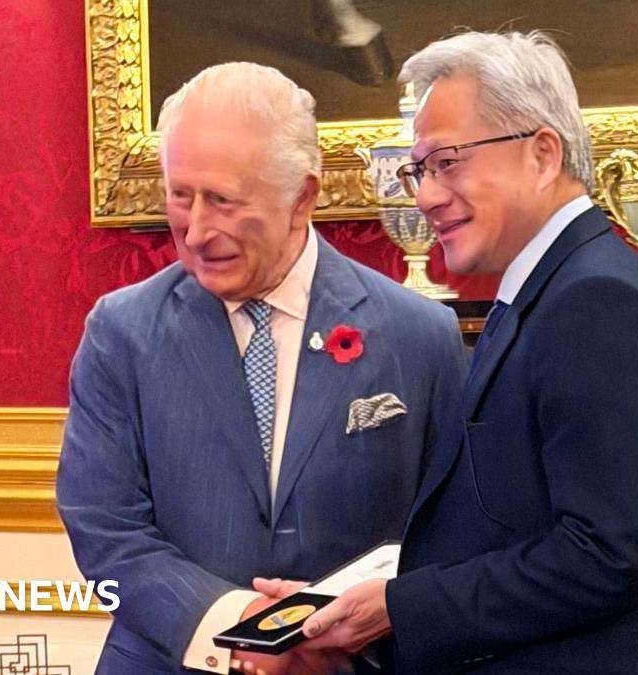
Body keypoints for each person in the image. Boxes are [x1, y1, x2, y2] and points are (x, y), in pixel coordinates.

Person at [261, 31, 638, 674]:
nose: (425, 196)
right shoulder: (555, 289)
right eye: (421, 170)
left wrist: (399, 609)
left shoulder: (595, 301)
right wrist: (349, 608)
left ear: (542, 154)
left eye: (446, 162)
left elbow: (606, 557)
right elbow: (509, 526)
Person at [56, 61, 465, 675]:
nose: (195, 231)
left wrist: (340, 637)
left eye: (222, 200)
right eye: (179, 195)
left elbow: (453, 538)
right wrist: (245, 629)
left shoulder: (419, 336)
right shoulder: (122, 332)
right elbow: (106, 529)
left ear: (302, 195)